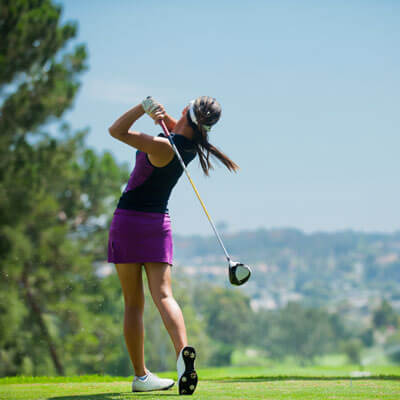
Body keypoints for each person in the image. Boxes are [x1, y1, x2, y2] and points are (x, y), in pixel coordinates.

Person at [107, 96, 238, 394]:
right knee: (164, 295)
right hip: (158, 226)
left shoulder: (163, 146)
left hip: (128, 222)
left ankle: (141, 377)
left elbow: (115, 131)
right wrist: (161, 118)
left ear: (186, 112)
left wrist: (142, 108)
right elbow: (177, 130)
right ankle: (182, 352)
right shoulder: (189, 146)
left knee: (133, 303)